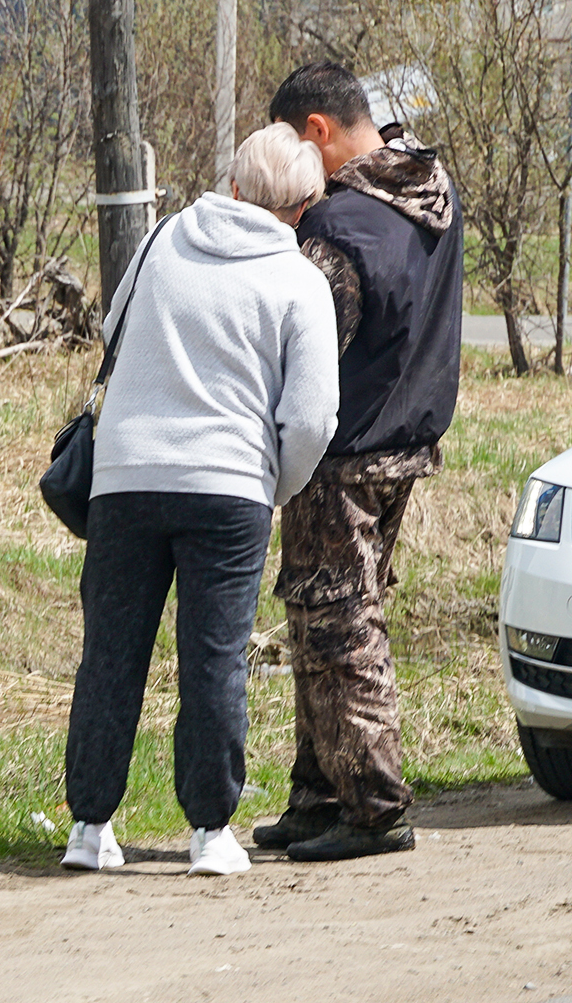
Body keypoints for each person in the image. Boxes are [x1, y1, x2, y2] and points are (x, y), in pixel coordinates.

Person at [62, 123, 340, 877]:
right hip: (230, 490)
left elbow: (112, 329)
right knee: (213, 660)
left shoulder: (160, 242)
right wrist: (272, 483)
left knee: (110, 654)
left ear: (236, 182)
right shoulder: (298, 281)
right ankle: (210, 833)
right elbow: (312, 417)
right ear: (305, 204)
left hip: (125, 477)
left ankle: (89, 826)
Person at [252, 61, 463, 863]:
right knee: (329, 612)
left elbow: (304, 350)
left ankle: (373, 804)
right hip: (408, 439)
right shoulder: (428, 186)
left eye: (290, 144)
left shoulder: (337, 227)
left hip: (343, 451)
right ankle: (320, 792)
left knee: (339, 623)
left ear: (315, 132)